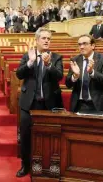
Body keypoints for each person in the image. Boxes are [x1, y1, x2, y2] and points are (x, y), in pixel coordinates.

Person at [15, 28, 63, 177]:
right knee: (25, 135)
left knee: (48, 135)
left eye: (49, 38)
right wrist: (30, 62)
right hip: (28, 103)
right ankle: (26, 165)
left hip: (49, 104)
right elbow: (19, 74)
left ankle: (47, 164)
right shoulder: (27, 56)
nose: (47, 40)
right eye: (43, 38)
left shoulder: (56, 57)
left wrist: (49, 65)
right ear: (36, 40)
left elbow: (59, 76)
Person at [65, 34, 103, 113]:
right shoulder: (75, 60)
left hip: (98, 104)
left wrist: (92, 72)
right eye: (79, 44)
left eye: (85, 44)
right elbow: (68, 84)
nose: (81, 47)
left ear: (93, 45)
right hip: (78, 104)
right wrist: (75, 76)